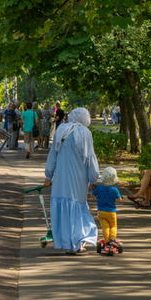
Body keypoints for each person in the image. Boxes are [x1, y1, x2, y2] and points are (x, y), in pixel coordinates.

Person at [43, 108, 100, 254]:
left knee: (63, 205)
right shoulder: (86, 133)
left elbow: (53, 153)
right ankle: (78, 243)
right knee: (77, 206)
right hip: (79, 178)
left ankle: (66, 242)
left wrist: (48, 175)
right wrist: (94, 178)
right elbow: (90, 158)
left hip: (61, 178)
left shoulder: (61, 129)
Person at [92, 167, 122, 245]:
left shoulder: (99, 188)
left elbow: (93, 196)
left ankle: (107, 241)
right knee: (113, 227)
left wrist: (96, 194)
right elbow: (119, 200)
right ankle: (112, 239)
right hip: (111, 212)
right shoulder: (115, 190)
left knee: (105, 227)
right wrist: (120, 197)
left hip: (101, 212)